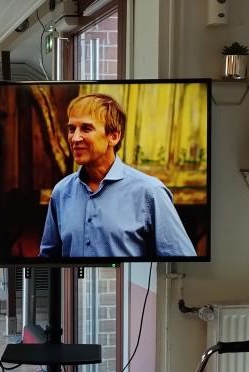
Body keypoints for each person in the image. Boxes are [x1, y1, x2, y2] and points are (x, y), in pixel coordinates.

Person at [39, 93, 196, 258]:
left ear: (113, 136)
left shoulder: (150, 192)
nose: (75, 138)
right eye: (72, 129)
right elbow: (48, 259)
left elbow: (182, 262)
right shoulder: (61, 192)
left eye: (86, 128)